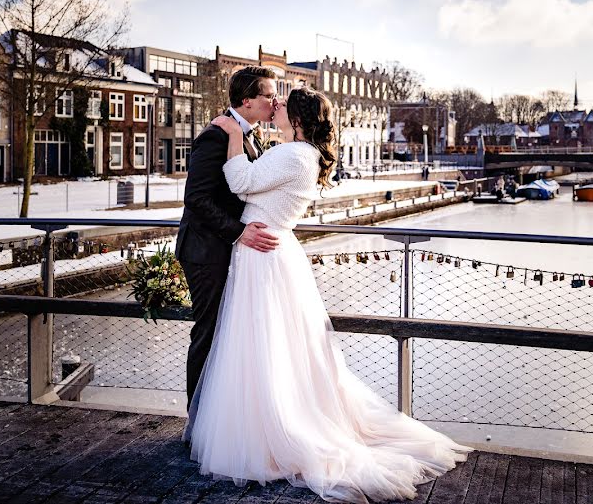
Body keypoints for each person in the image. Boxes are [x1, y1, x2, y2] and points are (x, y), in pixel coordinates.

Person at [183, 87, 472, 503]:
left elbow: (242, 183)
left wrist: (231, 133)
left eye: (283, 104)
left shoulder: (293, 154)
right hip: (270, 251)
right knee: (269, 346)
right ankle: (263, 425)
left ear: (298, 119)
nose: (276, 105)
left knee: (259, 345)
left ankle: (267, 433)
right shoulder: (299, 153)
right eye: (272, 99)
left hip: (261, 256)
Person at [175, 66, 281, 409]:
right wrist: (239, 233)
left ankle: (220, 418)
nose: (275, 100)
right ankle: (197, 418)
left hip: (228, 247)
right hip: (206, 250)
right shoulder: (216, 135)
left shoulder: (251, 133)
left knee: (229, 335)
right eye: (268, 94)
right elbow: (197, 198)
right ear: (247, 100)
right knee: (208, 333)